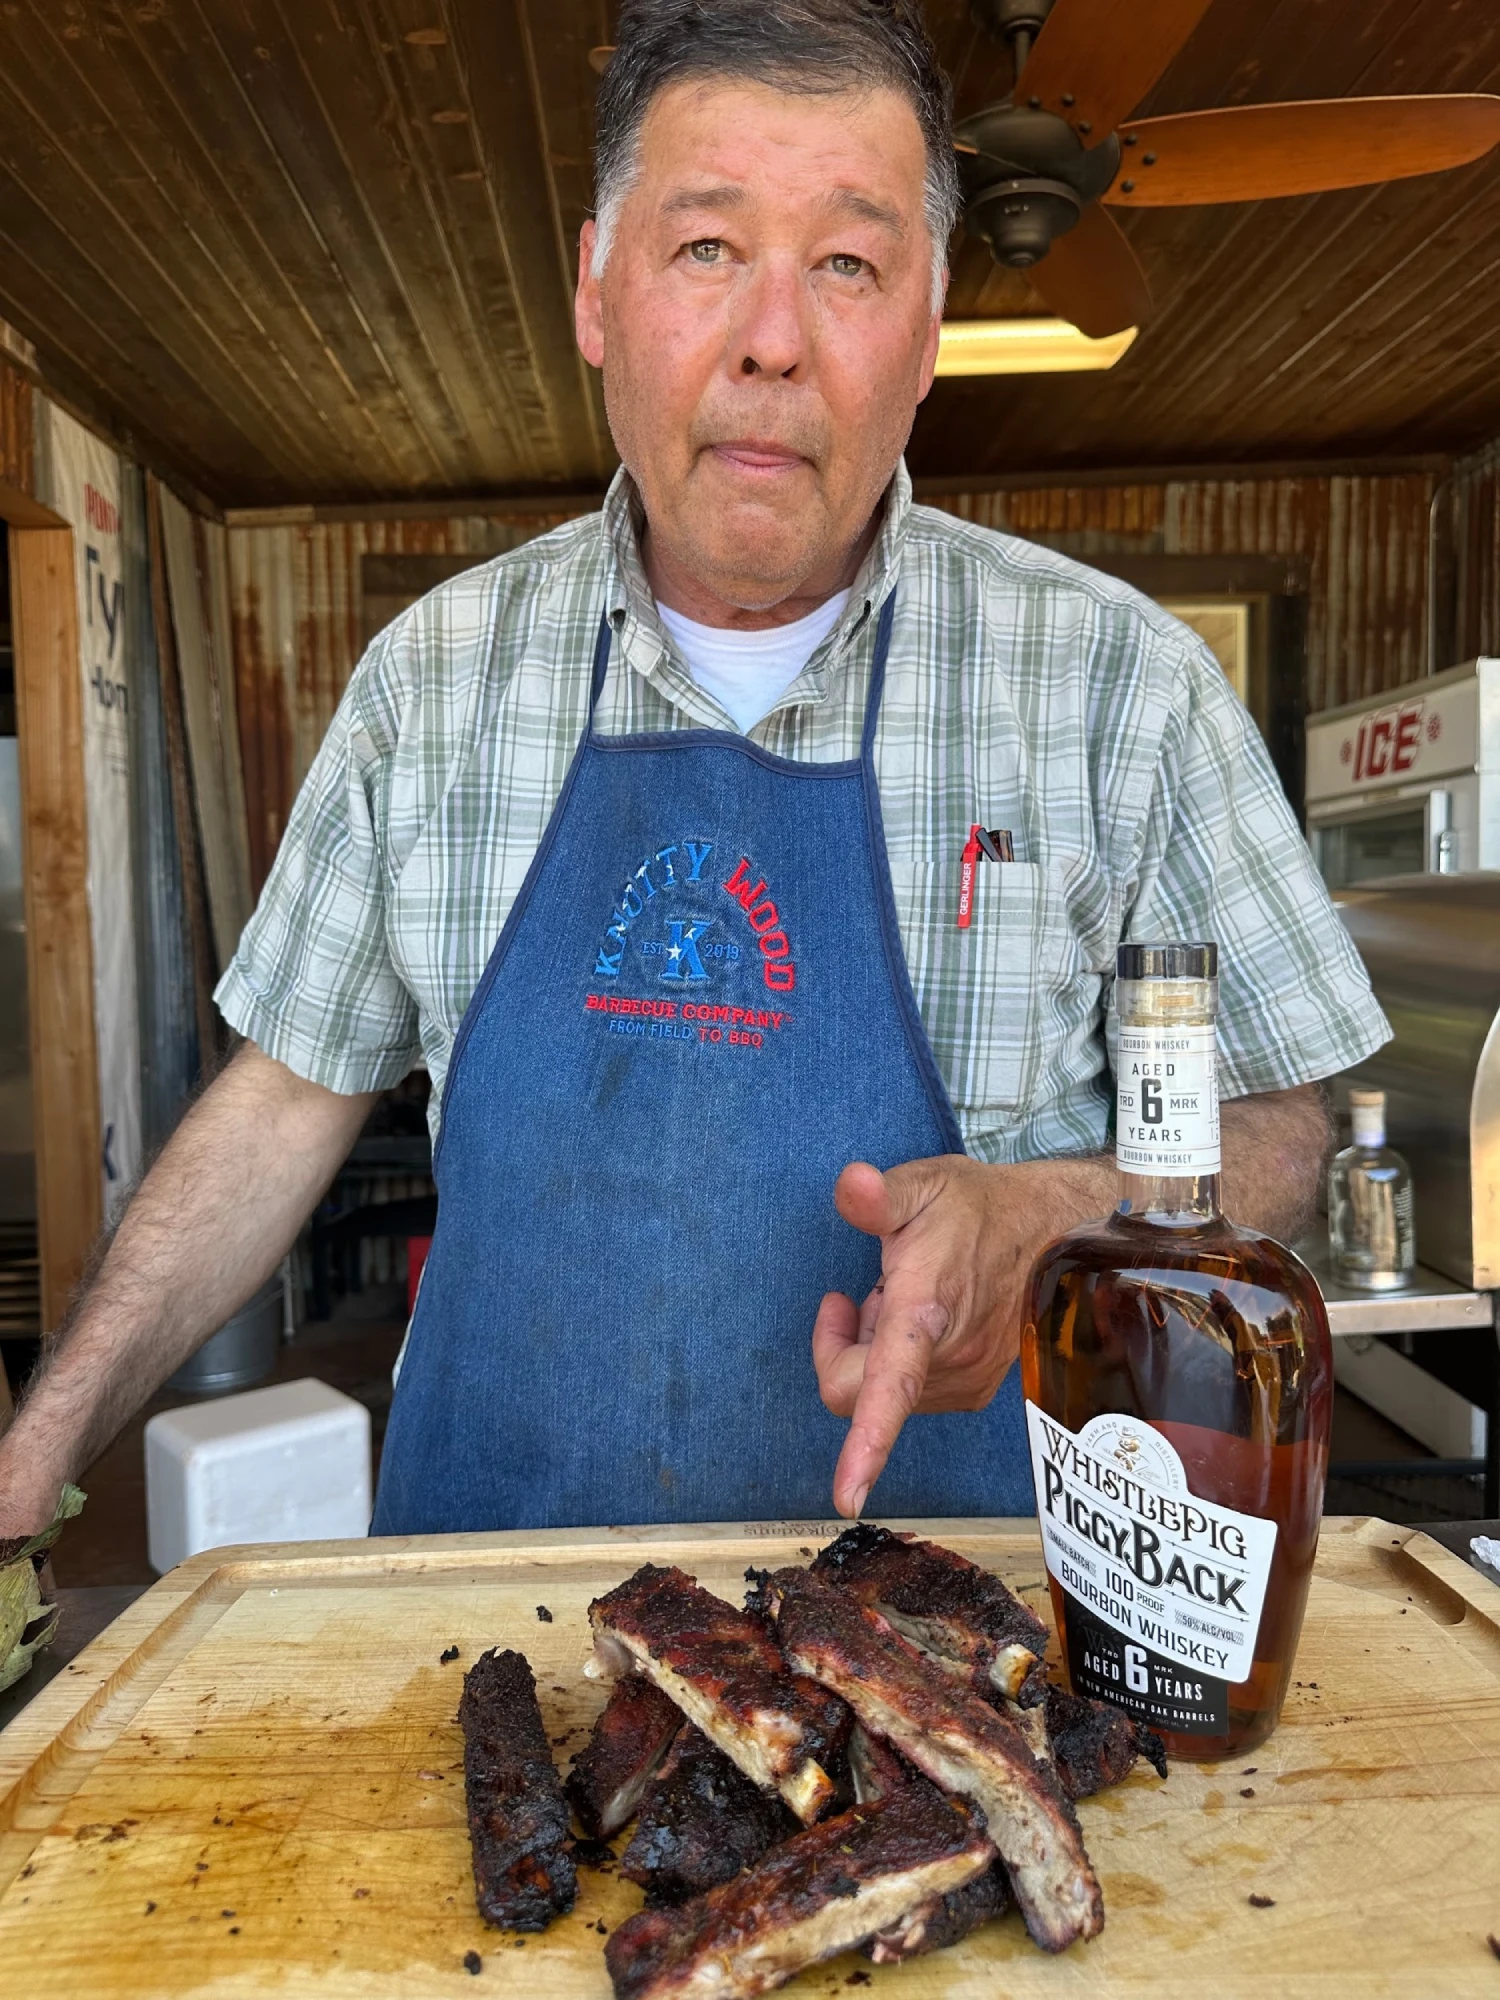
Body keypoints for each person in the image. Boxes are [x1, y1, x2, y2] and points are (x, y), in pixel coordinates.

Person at [0, 0, 1386, 1542]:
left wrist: (1055, 1217)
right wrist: (37, 1442)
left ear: (926, 330)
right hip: (484, 1632)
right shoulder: (436, 679)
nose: (774, 339)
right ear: (599, 289)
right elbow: (279, 1104)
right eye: (708, 248)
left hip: (948, 1653)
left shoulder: (1121, 688)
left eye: (849, 263)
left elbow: (1279, 1122)